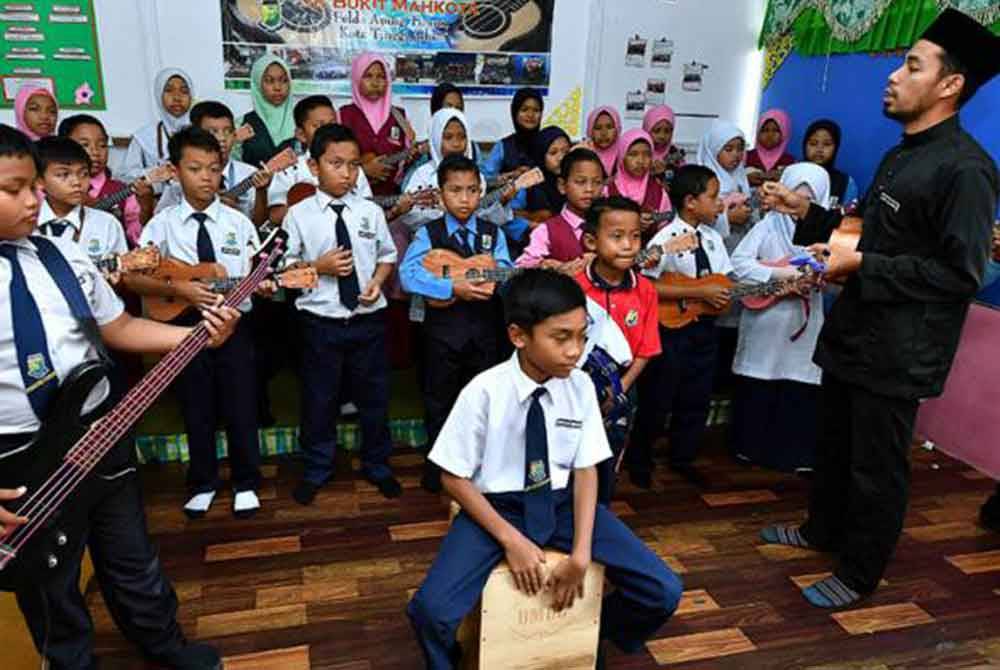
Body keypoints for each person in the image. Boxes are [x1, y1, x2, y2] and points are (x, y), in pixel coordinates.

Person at [759, 8, 1000, 608]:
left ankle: (860, 571)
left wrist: (864, 266)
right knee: (834, 446)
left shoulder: (967, 171)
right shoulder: (902, 154)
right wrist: (808, 215)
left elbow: (958, 273)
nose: (893, 75)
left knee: (877, 466)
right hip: (856, 333)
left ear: (949, 85)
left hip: (900, 349)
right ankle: (822, 531)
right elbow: (872, 237)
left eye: (911, 64)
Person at [0, 123, 237, 670]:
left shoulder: (64, 257)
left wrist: (197, 336)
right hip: (19, 456)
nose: (33, 200)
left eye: (33, 185)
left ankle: (163, 643)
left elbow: (121, 327)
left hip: (98, 434)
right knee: (51, 583)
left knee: (133, 558)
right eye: (13, 189)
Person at [406, 268, 682, 669]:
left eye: (582, 336)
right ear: (519, 336)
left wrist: (581, 555)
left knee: (664, 590)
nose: (576, 350)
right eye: (561, 337)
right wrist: (511, 540)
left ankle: (592, 633)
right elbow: (452, 476)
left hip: (561, 504)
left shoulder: (581, 386)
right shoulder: (484, 391)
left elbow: (587, 470)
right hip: (497, 508)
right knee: (430, 611)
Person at [131, 127, 265, 519]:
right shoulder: (163, 224)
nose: (206, 177)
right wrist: (185, 288)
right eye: (195, 168)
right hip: (183, 326)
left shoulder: (238, 223)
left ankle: (246, 481)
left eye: (213, 168)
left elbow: (256, 275)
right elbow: (136, 276)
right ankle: (203, 481)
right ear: (175, 171)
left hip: (233, 321)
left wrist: (264, 283)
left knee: (241, 402)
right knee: (196, 403)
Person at [282, 124, 402, 504]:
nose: (346, 173)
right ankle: (317, 467)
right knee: (319, 400)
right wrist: (319, 267)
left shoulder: (370, 211)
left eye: (353, 165)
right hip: (320, 325)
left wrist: (378, 282)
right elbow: (284, 272)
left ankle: (378, 465)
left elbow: (386, 255)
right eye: (336, 164)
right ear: (314, 167)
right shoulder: (298, 215)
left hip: (367, 321)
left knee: (374, 398)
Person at [399, 155, 514, 493]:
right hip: (441, 335)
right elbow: (408, 275)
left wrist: (478, 275)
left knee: (482, 400)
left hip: (484, 333)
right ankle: (437, 468)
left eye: (472, 190)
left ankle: (478, 467)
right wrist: (451, 287)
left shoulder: (494, 234)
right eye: (456, 191)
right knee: (440, 400)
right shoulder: (428, 233)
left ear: (481, 192)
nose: (465, 199)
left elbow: (505, 272)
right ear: (440, 194)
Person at [627, 165, 731, 490]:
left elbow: (724, 281)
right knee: (659, 397)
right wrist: (697, 292)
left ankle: (683, 458)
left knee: (695, 396)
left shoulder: (714, 239)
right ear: (690, 201)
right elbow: (647, 286)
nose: (721, 204)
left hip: (704, 329)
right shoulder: (665, 239)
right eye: (713, 197)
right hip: (671, 331)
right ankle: (639, 460)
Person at [729, 163, 830, 472]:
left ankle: (793, 454)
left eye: (807, 201)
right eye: (792, 197)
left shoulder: (828, 232)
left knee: (798, 384)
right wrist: (785, 275)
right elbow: (739, 264)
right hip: (766, 319)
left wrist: (816, 276)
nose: (796, 207)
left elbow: (838, 266)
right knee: (759, 380)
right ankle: (749, 448)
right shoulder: (769, 225)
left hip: (804, 322)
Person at [576, 197, 662, 502]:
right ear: (591, 240)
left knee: (609, 454)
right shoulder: (575, 287)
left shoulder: (646, 290)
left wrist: (620, 389)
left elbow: (647, 349)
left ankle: (600, 511)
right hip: (575, 385)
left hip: (623, 387)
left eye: (635, 236)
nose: (627, 245)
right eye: (616, 236)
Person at [696, 120, 754, 391]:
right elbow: (695, 225)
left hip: (738, 255)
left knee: (734, 323)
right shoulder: (703, 182)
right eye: (728, 149)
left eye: (739, 149)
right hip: (714, 259)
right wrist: (728, 219)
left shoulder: (742, 181)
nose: (735, 155)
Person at [156, 101, 272, 227]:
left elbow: (259, 226)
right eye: (213, 132)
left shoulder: (249, 173)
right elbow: (161, 222)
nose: (222, 138)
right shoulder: (181, 177)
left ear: (234, 135)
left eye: (227, 131)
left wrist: (261, 193)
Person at [267, 95, 373, 226]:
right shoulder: (289, 169)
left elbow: (368, 209)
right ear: (301, 134)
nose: (328, 130)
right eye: (319, 126)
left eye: (332, 123)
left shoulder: (353, 169)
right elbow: (275, 216)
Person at [33, 137, 129, 267]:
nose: (77, 182)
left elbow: (121, 272)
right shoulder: (26, 224)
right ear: (39, 181)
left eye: (83, 174)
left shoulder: (107, 224)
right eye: (63, 174)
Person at [58, 114, 152, 246]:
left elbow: (138, 239)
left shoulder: (122, 191)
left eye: (102, 145)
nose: (95, 152)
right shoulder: (53, 188)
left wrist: (146, 207)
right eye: (85, 144)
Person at [516, 148, 605, 273]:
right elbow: (520, 268)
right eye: (581, 182)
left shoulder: (609, 225)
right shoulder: (546, 230)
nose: (590, 189)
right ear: (562, 186)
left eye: (597, 182)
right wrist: (550, 266)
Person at [340, 53, 414, 196]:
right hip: (350, 198)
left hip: (391, 201)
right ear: (356, 78)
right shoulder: (343, 116)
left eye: (381, 76)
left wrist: (412, 154)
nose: (375, 83)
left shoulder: (400, 117)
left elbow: (408, 163)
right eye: (368, 76)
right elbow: (334, 160)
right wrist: (363, 170)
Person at [506, 125, 571, 255]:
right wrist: (535, 227)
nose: (561, 158)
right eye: (553, 153)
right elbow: (508, 218)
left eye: (566, 152)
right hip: (532, 247)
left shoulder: (573, 181)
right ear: (541, 155)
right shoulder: (529, 182)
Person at [122, 68, 194, 184]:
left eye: (184, 91)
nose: (177, 97)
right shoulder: (144, 136)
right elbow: (125, 176)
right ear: (158, 94)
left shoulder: (201, 133)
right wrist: (154, 173)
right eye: (169, 90)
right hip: (155, 200)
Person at [606, 128, 672, 244]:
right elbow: (599, 225)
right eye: (633, 154)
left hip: (648, 256)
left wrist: (654, 218)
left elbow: (667, 221)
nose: (640, 161)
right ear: (622, 157)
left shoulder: (658, 191)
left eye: (647, 154)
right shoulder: (608, 190)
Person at [236, 54, 295, 168]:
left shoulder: (302, 121)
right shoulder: (241, 124)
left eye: (283, 80)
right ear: (257, 84)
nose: (277, 87)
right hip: (252, 185)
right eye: (269, 81)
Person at [480, 87, 544, 182]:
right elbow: (483, 179)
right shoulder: (504, 146)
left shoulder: (548, 143)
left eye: (536, 110)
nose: (530, 115)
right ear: (515, 113)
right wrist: (512, 175)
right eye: (524, 109)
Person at [802, 119, 859, 208]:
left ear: (836, 148)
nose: (819, 149)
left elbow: (848, 218)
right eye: (813, 143)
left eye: (827, 144)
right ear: (804, 145)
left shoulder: (845, 183)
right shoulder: (791, 175)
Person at [746, 108, 795, 187]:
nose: (770, 135)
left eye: (775, 130)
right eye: (765, 130)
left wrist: (782, 177)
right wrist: (746, 178)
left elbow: (792, 184)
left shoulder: (789, 161)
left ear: (784, 132)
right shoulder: (747, 157)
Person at [643, 104, 685, 183]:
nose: (662, 136)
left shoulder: (675, 154)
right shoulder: (639, 151)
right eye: (657, 131)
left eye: (667, 131)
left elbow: (682, 182)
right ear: (647, 129)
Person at [585, 106, 622, 177]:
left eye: (609, 127)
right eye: (598, 128)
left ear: (617, 129)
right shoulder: (584, 152)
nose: (603, 133)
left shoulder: (625, 153)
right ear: (590, 131)